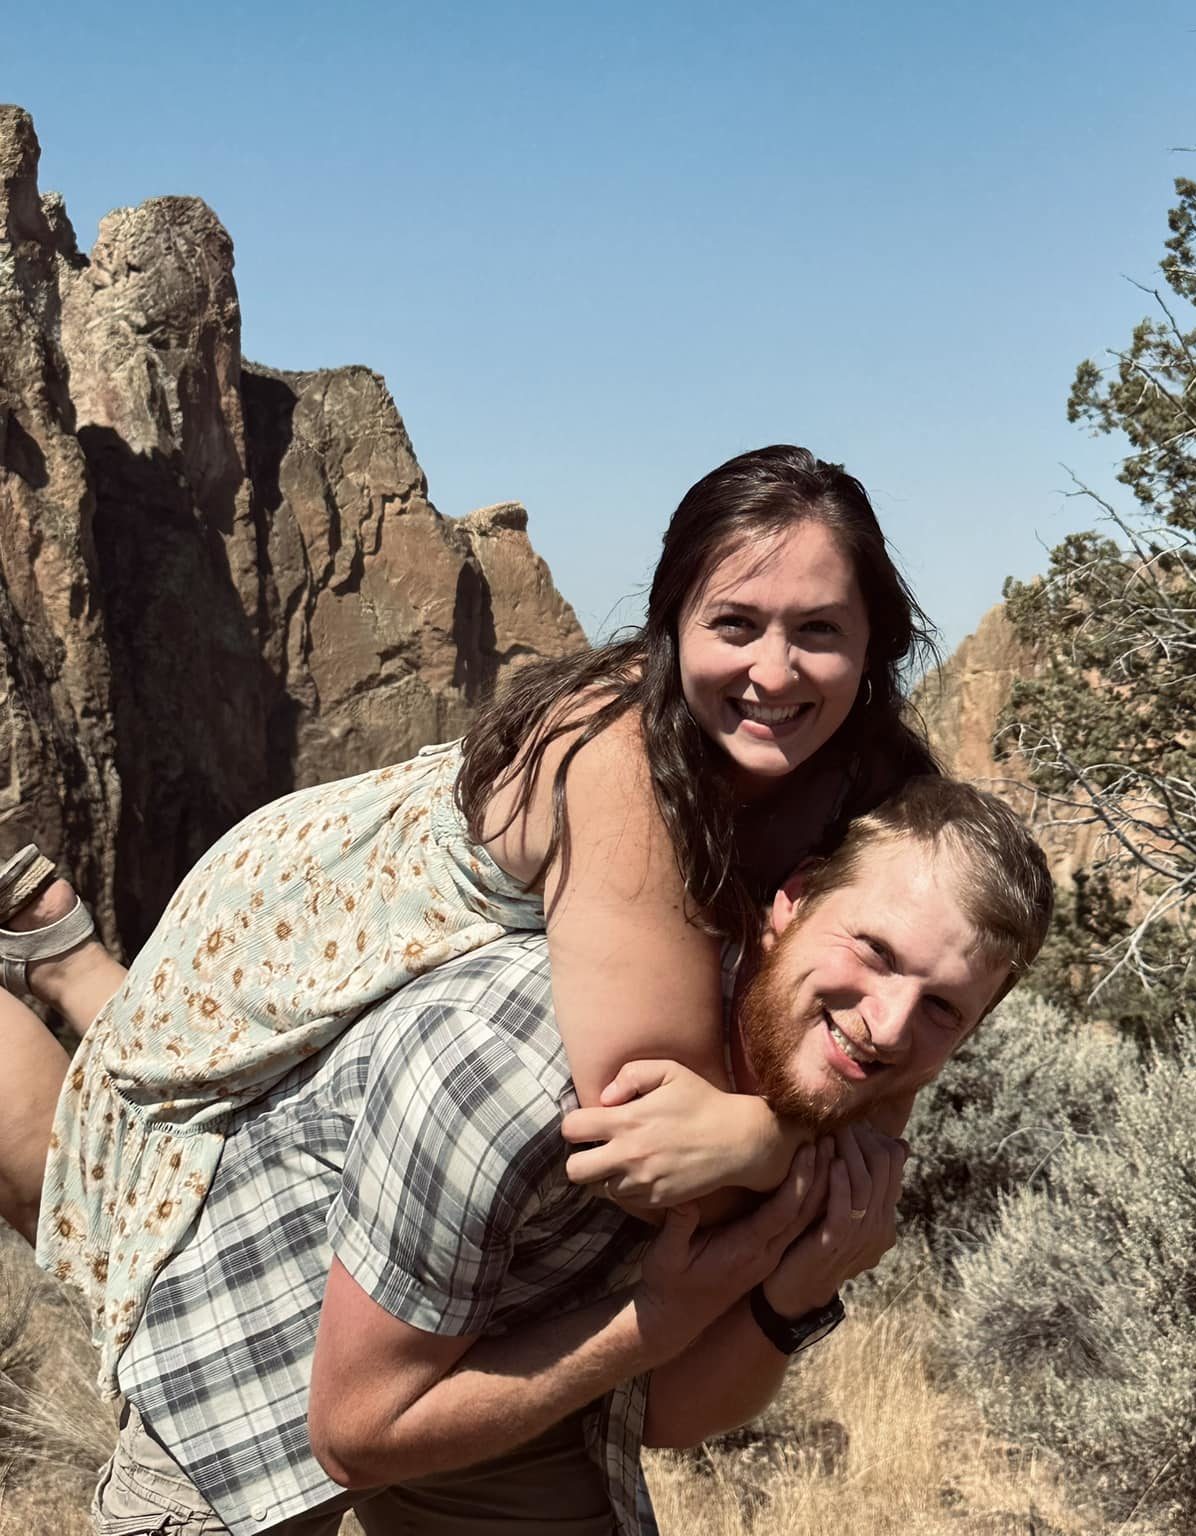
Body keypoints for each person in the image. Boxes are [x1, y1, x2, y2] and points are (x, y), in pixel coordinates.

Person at [0, 444, 941, 1386]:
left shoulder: (880, 786)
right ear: (670, 629)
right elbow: (649, 1148)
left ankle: (84, 976)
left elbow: (902, 1060)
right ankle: (79, 979)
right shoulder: (620, 755)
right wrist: (770, 1139)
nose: (773, 672)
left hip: (384, 936)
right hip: (301, 927)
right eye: (734, 624)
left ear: (872, 646)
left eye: (818, 630)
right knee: (99, 1197)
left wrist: (774, 1135)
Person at [89, 776, 1054, 1536]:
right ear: (790, 900)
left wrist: (791, 1293)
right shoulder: (506, 1070)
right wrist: (654, 1317)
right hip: (269, 1364)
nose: (886, 1029)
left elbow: (669, 1412)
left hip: (514, 1370)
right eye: (876, 954)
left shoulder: (837, 1108)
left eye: (942, 1010)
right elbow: (356, 1434)